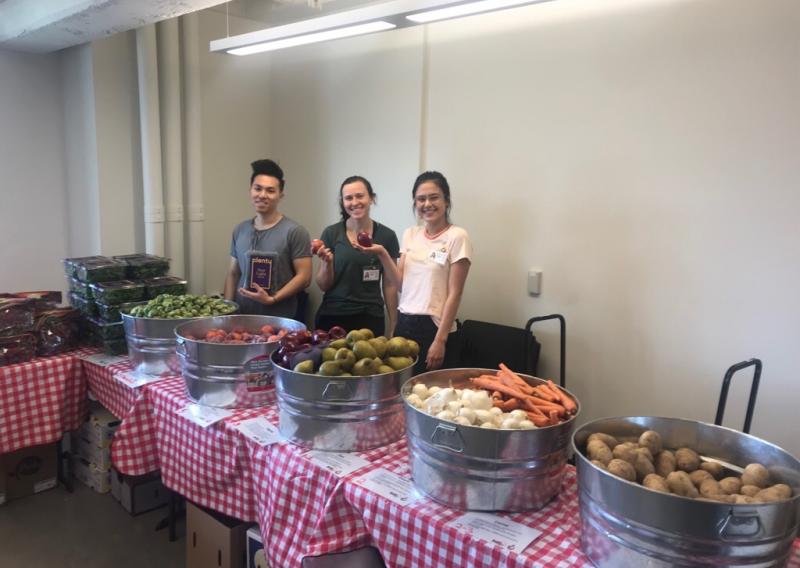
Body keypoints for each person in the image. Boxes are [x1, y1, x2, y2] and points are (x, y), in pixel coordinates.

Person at [355, 171, 472, 374]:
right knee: (400, 390)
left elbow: (456, 293)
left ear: (446, 200)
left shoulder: (457, 236)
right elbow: (402, 285)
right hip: (405, 322)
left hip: (435, 326)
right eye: (421, 199)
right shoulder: (410, 234)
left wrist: (440, 340)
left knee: (430, 393)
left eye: (434, 197)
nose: (427, 204)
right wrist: (382, 253)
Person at [223, 159, 312, 319]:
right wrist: (227, 312)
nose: (262, 195)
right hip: (241, 318)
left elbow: (304, 277)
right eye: (258, 189)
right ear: (250, 190)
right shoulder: (240, 230)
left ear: (280, 195)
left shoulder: (295, 231)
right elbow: (233, 273)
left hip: (280, 320)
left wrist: (273, 298)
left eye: (270, 191)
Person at [313, 175, 400, 338]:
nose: (354, 202)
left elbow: (390, 285)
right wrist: (327, 263)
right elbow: (323, 286)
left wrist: (395, 324)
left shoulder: (387, 236)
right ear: (343, 202)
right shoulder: (331, 233)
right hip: (333, 315)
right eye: (348, 198)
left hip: (370, 317)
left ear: (371, 198)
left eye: (360, 196)